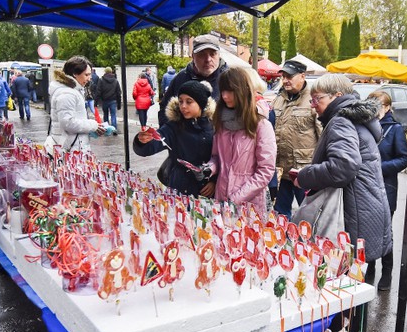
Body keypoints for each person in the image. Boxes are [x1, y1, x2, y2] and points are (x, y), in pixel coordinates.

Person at [295, 73, 392, 332]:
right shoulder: (359, 121)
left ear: (337, 97)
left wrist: (304, 175)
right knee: (355, 287)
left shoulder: (340, 122)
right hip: (367, 210)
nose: (313, 105)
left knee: (341, 289)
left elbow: (343, 167)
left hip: (352, 216)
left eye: (317, 98)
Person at [209, 67, 276, 217]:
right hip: (221, 199)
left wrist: (235, 198)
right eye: (223, 91)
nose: (225, 96)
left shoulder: (261, 125)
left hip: (249, 204)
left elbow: (265, 171)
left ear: (243, 90)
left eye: (230, 91)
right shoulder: (221, 123)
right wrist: (209, 169)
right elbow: (216, 158)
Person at [133, 80, 215, 197]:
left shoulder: (214, 126)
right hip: (179, 187)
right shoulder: (174, 127)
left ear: (201, 104)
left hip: (206, 190)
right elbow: (149, 148)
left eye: (189, 102)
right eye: (181, 101)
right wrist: (141, 141)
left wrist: (214, 181)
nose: (183, 106)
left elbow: (223, 159)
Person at [368, 90, 407, 291]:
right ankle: (369, 267)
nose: (374, 111)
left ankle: (387, 271)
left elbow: (404, 158)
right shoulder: (365, 127)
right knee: (366, 229)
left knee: (385, 231)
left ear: (387, 108)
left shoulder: (395, 129)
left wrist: (379, 167)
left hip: (386, 186)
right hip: (365, 186)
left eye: (378, 107)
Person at [271, 60, 322, 218]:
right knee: (280, 216)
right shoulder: (278, 98)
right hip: (280, 170)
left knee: (309, 215)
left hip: (304, 171)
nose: (285, 80)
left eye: (289, 76)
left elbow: (323, 135)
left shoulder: (313, 100)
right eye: (283, 76)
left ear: (302, 76)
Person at [158, 34, 228, 125]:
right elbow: (164, 111)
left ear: (219, 55)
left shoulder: (230, 80)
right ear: (193, 56)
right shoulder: (181, 78)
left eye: (212, 54)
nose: (208, 59)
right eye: (202, 54)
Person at [49, 56, 105, 153]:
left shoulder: (70, 90)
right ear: (75, 74)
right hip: (70, 149)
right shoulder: (67, 93)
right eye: (86, 75)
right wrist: (93, 125)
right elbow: (68, 123)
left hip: (71, 146)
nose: (89, 78)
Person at [97, 67, 122, 134]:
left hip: (104, 100)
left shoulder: (101, 80)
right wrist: (119, 104)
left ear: (105, 72)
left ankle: (107, 130)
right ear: (111, 72)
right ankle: (114, 130)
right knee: (113, 115)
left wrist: (96, 102)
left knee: (105, 115)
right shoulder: (115, 81)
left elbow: (98, 91)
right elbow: (118, 92)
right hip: (113, 101)